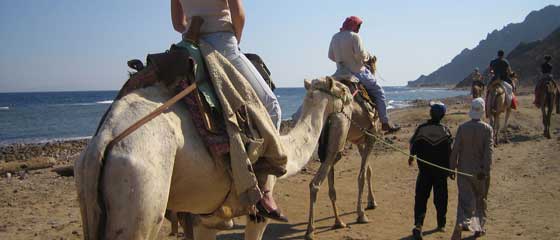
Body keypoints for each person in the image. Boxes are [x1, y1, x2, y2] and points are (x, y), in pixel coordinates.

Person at [171, 0, 287, 222]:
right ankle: (263, 189)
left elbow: (178, 23)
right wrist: (233, 39)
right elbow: (239, 15)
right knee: (272, 107)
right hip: (222, 42)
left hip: (188, 46)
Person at [328, 16, 400, 133]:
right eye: (358, 26)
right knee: (379, 92)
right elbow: (360, 55)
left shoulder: (335, 37)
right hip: (357, 73)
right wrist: (367, 57)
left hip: (339, 73)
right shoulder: (355, 36)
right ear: (355, 26)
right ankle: (385, 123)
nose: (359, 29)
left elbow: (331, 56)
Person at [449, 98, 493, 239]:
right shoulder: (488, 129)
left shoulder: (462, 127)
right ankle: (477, 228)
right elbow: (488, 153)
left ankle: (460, 225)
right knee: (480, 200)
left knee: (464, 200)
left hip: (463, 170)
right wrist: (485, 171)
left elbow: (455, 150)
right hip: (480, 172)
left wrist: (452, 168)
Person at [408, 102, 453, 240]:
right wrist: (451, 170)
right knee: (441, 198)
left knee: (421, 198)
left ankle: (418, 225)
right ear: (443, 116)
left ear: (430, 114)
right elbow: (450, 152)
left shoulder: (422, 129)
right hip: (441, 173)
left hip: (424, 172)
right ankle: (441, 224)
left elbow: (413, 146)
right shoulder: (445, 131)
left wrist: (411, 158)